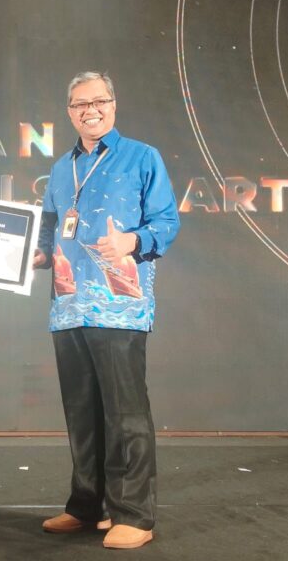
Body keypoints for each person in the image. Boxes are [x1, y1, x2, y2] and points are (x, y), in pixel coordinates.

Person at [34, 71, 180, 549]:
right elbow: (50, 225)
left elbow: (166, 222)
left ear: (113, 105)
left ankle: (134, 514)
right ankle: (86, 506)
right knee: (81, 411)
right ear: (69, 112)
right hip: (67, 305)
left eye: (98, 101)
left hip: (119, 306)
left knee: (125, 412)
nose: (90, 110)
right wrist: (37, 253)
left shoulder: (143, 157)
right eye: (80, 104)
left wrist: (132, 241)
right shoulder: (61, 168)